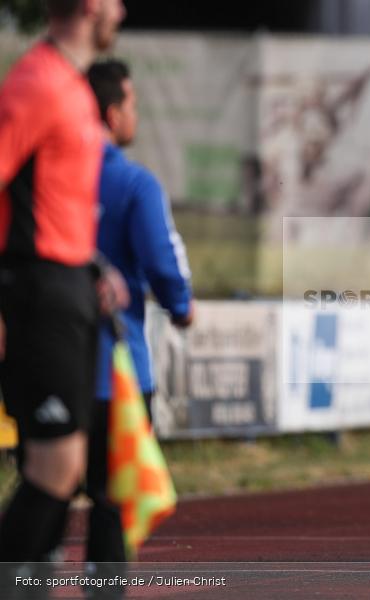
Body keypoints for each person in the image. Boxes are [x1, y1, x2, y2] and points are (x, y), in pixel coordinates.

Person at [0, 0, 126, 592]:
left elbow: (57, 203)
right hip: (40, 291)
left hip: (69, 287)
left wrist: (94, 266)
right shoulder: (37, 83)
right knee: (53, 469)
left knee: (63, 467)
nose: (121, 10)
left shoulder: (74, 88)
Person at [83, 58, 194, 596]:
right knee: (112, 501)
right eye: (131, 104)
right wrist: (181, 306)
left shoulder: (42, 174)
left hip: (45, 362)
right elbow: (164, 264)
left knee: (45, 490)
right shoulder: (132, 181)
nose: (137, 114)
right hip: (114, 373)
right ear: (111, 111)